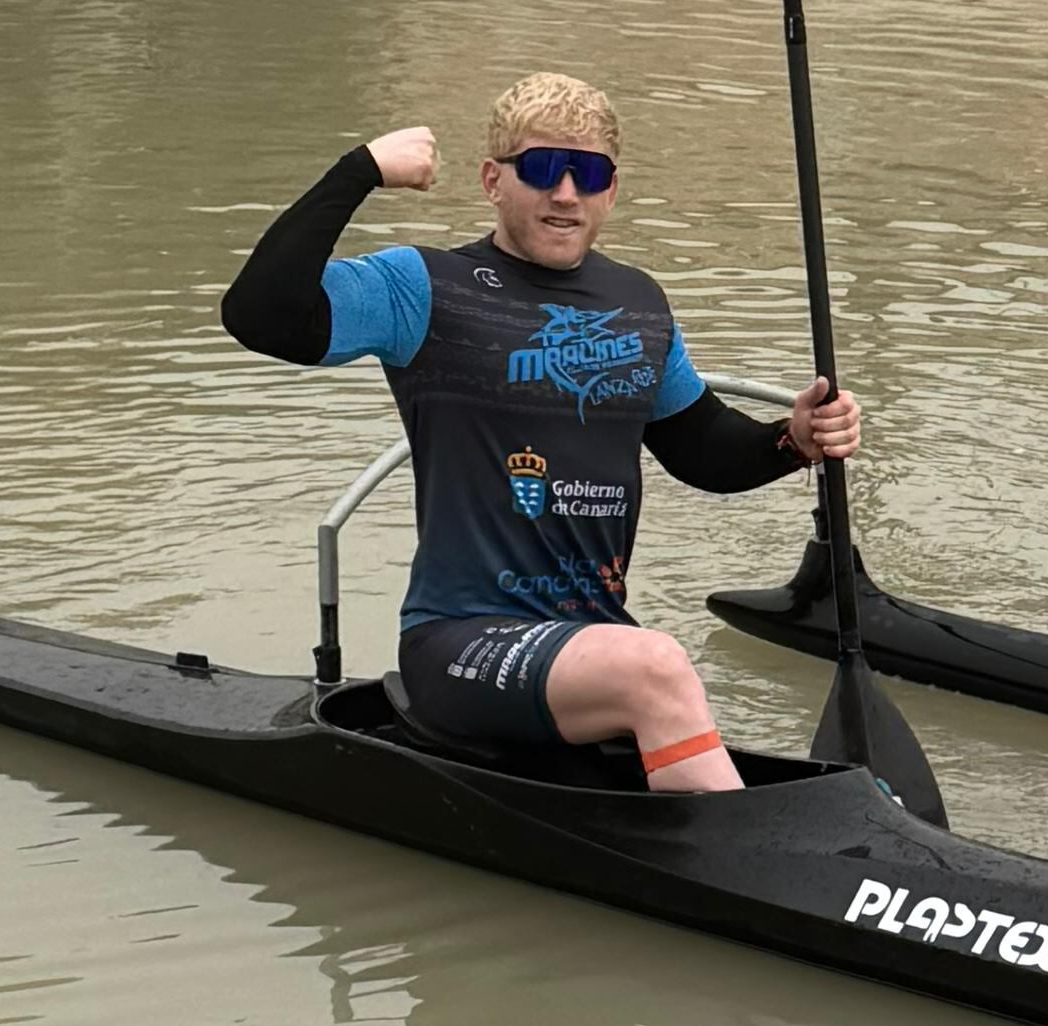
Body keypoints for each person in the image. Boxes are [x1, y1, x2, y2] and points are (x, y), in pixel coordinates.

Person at [219, 71, 856, 794]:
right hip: (461, 646)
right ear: (493, 180)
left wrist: (793, 439)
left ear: (611, 190)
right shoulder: (422, 287)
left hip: (589, 642)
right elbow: (259, 315)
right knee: (657, 666)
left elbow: (699, 447)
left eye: (587, 174)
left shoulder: (638, 303)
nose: (565, 194)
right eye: (543, 169)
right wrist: (359, 171)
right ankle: (768, 873)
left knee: (649, 665)